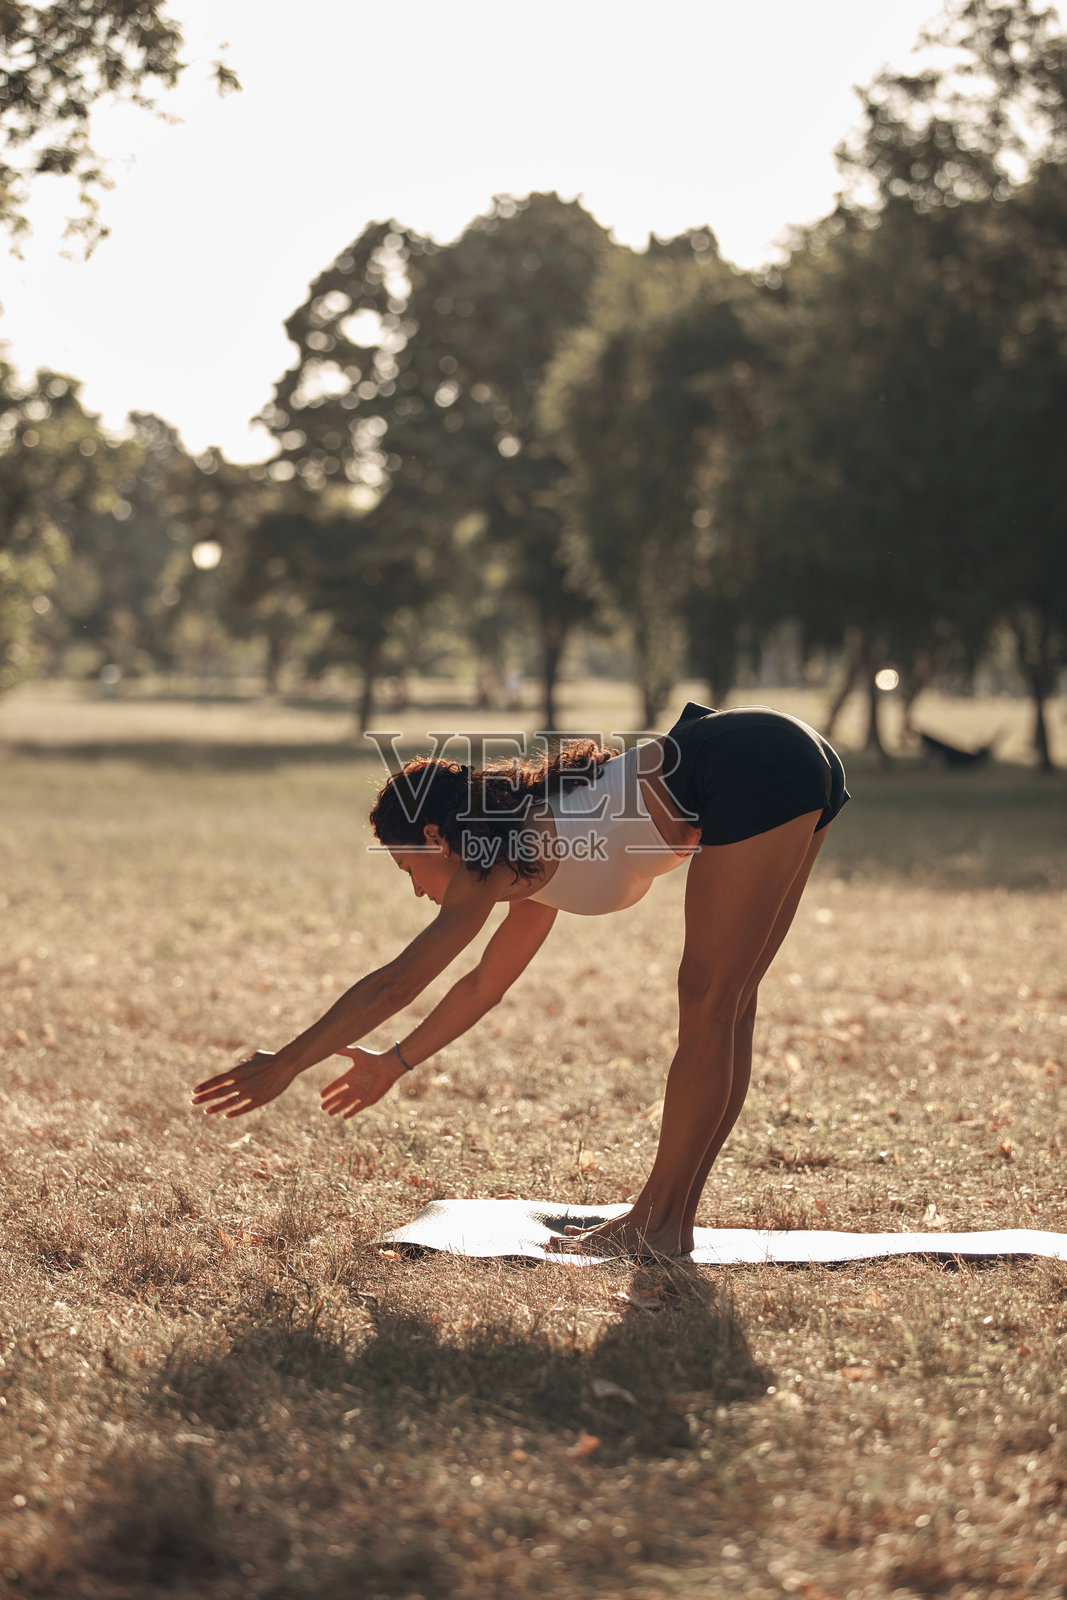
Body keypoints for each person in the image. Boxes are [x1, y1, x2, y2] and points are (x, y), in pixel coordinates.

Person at [192, 703, 848, 1257]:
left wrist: (288, 1062)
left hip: (749, 758)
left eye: (408, 870)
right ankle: (665, 1222)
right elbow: (484, 986)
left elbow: (398, 983)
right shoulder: (524, 865)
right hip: (787, 756)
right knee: (724, 1004)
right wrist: (394, 1062)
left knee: (709, 998)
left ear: (435, 838)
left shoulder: (496, 859)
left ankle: (657, 1221)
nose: (419, 893)